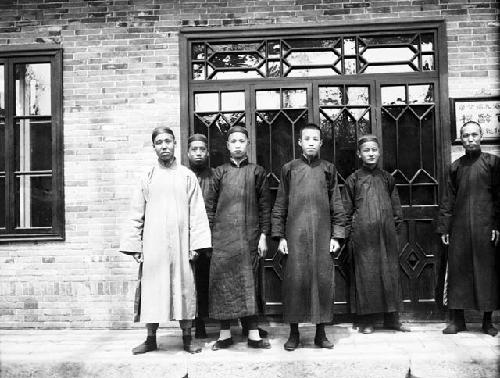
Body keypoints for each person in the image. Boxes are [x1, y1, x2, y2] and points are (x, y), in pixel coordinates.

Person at [120, 127, 212, 354]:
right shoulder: (147, 177)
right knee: (152, 289)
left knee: (184, 290)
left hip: (182, 245)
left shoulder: (187, 176)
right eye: (159, 142)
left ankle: (187, 339)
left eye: (168, 141)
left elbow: (197, 212)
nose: (164, 146)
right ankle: (151, 338)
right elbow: (135, 212)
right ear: (154, 147)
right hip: (153, 245)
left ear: (174, 144)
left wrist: (196, 245)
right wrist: (135, 246)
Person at [271, 123, 346, 351]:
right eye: (307, 139)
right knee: (294, 283)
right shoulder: (290, 169)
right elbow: (280, 203)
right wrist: (280, 237)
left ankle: (320, 333)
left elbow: (337, 204)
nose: (311, 142)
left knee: (322, 283)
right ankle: (293, 334)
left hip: (323, 235)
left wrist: (337, 235)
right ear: (300, 143)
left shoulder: (328, 169)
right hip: (295, 236)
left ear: (321, 143)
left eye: (315, 139)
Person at [206, 125, 271, 350]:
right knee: (223, 285)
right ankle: (224, 335)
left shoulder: (257, 172)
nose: (237, 145)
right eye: (233, 142)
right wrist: (209, 238)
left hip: (249, 238)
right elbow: (210, 207)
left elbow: (265, 207)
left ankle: (253, 334)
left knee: (249, 283)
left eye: (241, 141)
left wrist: (263, 235)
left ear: (247, 144)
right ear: (227, 146)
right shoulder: (219, 172)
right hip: (222, 240)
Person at [341, 135, 410, 334]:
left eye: (374, 150)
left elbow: (396, 209)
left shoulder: (387, 178)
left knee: (390, 276)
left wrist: (394, 232)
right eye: (366, 151)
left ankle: (392, 319)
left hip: (386, 236)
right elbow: (346, 211)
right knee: (367, 278)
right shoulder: (353, 179)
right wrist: (349, 236)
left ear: (379, 152)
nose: (370, 154)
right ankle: (367, 321)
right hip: (363, 238)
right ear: (359, 154)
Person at [437, 121, 499, 336]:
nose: (470, 139)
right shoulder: (455, 167)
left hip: (485, 228)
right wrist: (445, 228)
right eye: (466, 136)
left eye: (474, 135)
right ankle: (458, 320)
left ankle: (487, 322)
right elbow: (448, 199)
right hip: (460, 229)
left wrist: (496, 225)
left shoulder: (493, 163)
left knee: (486, 274)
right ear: (460, 139)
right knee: (458, 273)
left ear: (481, 136)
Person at [186, 134, 215, 339]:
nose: (198, 153)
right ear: (188, 153)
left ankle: (217, 320)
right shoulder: (182, 176)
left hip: (212, 235)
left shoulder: (215, 176)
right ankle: (196, 322)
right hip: (188, 235)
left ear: (207, 152)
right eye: (194, 149)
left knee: (209, 279)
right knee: (191, 280)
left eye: (202, 149)